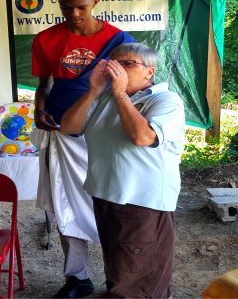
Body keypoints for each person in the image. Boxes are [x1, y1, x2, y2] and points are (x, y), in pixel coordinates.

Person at [30, 0, 135, 298]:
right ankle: (77, 277)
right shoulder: (46, 40)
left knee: (112, 205)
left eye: (81, 7)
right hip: (63, 133)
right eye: (65, 7)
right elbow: (43, 84)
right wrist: (39, 108)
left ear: (96, 1)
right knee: (66, 205)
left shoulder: (119, 41)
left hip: (108, 134)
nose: (73, 14)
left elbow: (135, 89)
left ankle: (119, 277)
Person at [60, 43, 186, 298]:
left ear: (149, 72)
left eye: (127, 64)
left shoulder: (165, 100)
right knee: (119, 264)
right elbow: (68, 127)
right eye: (113, 64)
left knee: (138, 272)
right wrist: (94, 90)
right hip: (106, 194)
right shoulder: (103, 97)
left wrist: (120, 95)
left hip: (141, 201)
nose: (117, 69)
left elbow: (142, 137)